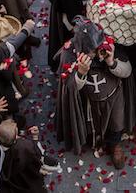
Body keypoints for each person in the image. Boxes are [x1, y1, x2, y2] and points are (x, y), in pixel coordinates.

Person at [55, 20, 132, 167]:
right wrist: (81, 73)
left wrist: (111, 62)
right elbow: (70, 88)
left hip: (113, 95)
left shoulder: (108, 45)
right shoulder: (69, 53)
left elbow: (127, 71)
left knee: (116, 121)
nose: (96, 53)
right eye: (91, 50)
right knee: (91, 123)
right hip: (89, 100)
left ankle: (115, 144)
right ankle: (94, 141)